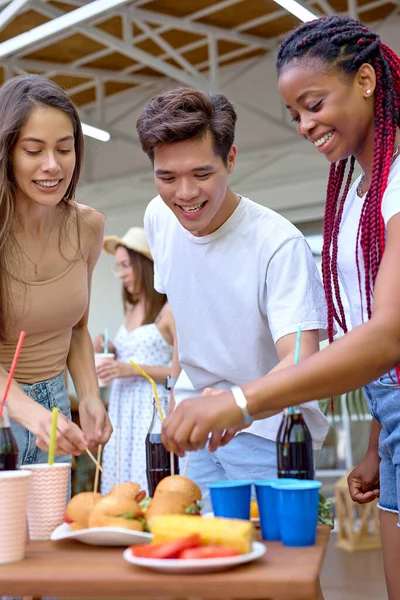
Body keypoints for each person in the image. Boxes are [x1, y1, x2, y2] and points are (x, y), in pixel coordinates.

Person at [160, 16, 400, 597]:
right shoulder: (356, 185)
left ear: (366, 79)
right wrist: (375, 442)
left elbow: (388, 334)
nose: (304, 124)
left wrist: (241, 401)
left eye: (314, 103)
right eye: (295, 113)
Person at [138, 87, 329, 510]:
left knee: (279, 568)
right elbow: (185, 319)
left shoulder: (277, 243)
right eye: (167, 177)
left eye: (201, 174)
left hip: (268, 433)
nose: (184, 194)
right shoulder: (158, 217)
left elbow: (301, 359)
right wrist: (175, 396)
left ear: (231, 160)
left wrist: (236, 405)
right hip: (198, 429)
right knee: (200, 557)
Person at [0, 74, 112, 467]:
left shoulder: (87, 227)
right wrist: (28, 413)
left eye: (65, 149)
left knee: (54, 528)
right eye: (33, 150)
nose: (52, 165)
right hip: (6, 415)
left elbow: (77, 328)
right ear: (7, 152)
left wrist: (91, 396)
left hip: (55, 411)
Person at [94, 227, 175, 494]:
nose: (121, 274)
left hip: (149, 409)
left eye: (126, 266)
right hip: (122, 407)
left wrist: (131, 370)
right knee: (120, 475)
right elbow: (134, 353)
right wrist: (111, 349)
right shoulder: (132, 307)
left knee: (146, 477)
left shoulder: (169, 310)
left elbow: (179, 374)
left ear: (145, 265)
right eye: (117, 267)